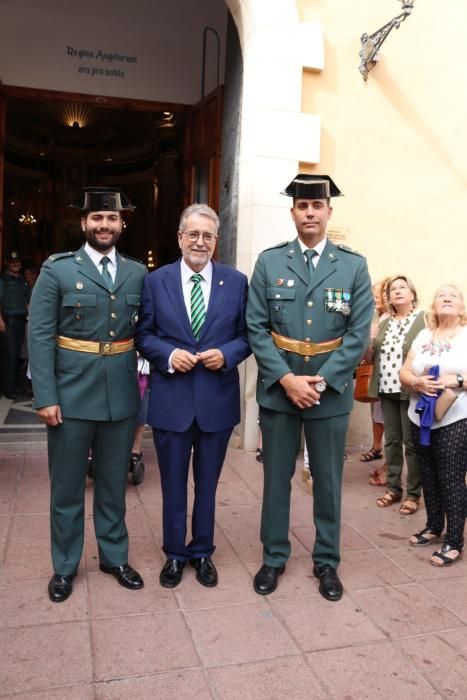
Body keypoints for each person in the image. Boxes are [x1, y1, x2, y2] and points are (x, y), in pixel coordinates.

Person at [246, 174, 373, 601]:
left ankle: (327, 562)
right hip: (280, 391)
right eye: (303, 206)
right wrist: (285, 378)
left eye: (317, 206)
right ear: (293, 212)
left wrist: (321, 381)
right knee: (276, 479)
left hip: (329, 392)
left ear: (329, 212)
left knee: (328, 481)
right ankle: (274, 557)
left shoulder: (353, 265)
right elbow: (256, 327)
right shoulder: (270, 262)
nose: (310, 213)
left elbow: (358, 335)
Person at [28, 186, 147, 602]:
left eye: (112, 218)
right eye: (97, 218)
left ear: (121, 224)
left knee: (113, 484)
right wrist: (45, 395)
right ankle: (64, 566)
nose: (104, 225)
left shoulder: (136, 272)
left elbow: (145, 332)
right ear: (83, 223)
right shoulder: (57, 270)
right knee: (66, 487)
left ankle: (114, 557)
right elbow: (40, 335)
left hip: (120, 395)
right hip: (71, 396)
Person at [136, 203, 250, 589]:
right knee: (171, 484)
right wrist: (167, 354)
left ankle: (202, 551)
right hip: (172, 401)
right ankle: (174, 553)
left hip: (217, 401)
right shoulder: (156, 281)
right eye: (193, 234)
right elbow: (144, 335)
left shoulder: (236, 282)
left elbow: (247, 336)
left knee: (207, 484)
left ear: (216, 241)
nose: (200, 242)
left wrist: (228, 354)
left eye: (207, 236)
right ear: (180, 238)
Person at [400, 284, 467, 566]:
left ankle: (454, 540)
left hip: (456, 416)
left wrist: (458, 380)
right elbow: (404, 370)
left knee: (450, 476)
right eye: (442, 294)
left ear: (463, 307)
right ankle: (433, 526)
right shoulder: (424, 335)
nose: (447, 297)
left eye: (454, 295)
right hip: (419, 414)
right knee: (426, 470)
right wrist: (416, 381)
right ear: (434, 305)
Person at [368, 275, 425, 514]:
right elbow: (373, 356)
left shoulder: (423, 319)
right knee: (391, 442)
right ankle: (393, 488)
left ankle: (413, 494)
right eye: (392, 289)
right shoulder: (383, 321)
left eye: (403, 288)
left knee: (411, 444)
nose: (397, 292)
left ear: (412, 294)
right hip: (386, 388)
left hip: (410, 389)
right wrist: (368, 342)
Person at [362, 278, 390, 486]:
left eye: (377, 294)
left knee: (391, 423)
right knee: (378, 415)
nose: (374, 298)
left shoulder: (390, 319)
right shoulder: (374, 318)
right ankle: (379, 451)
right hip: (377, 377)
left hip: (393, 380)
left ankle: (390, 468)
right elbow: (370, 354)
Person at [0, 251, 31, 399]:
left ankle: (16, 386)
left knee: (18, 355)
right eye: (12, 262)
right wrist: (0, 321)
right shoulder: (3, 280)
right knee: (10, 356)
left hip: (21, 321)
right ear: (6, 263)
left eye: (17, 261)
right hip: (8, 322)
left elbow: (27, 302)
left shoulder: (22, 280)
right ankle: (8, 388)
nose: (15, 264)